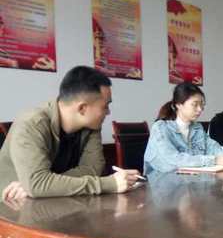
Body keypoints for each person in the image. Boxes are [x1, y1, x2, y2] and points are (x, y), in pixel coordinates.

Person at [0, 66, 139, 201]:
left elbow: (93, 168)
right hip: (12, 205)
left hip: (55, 202)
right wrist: (109, 184)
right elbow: (38, 184)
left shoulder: (91, 125)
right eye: (105, 106)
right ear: (82, 108)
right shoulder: (31, 123)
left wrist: (46, 184)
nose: (108, 112)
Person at [143, 82, 223, 174]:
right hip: (161, 185)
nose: (200, 109)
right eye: (195, 104)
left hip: (190, 183)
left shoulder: (197, 128)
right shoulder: (160, 128)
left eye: (202, 105)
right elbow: (173, 161)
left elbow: (213, 148)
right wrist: (214, 160)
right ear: (178, 105)